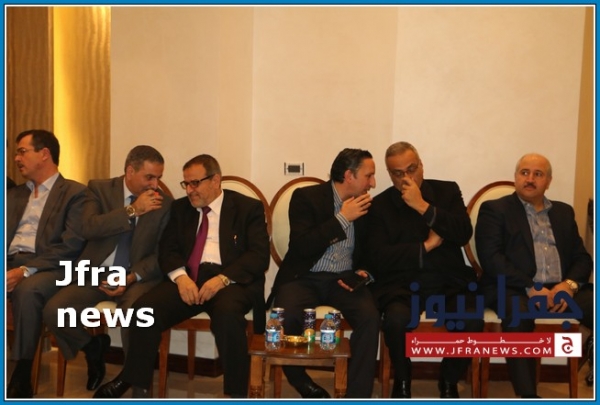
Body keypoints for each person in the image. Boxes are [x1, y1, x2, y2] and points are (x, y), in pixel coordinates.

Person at [94, 154, 270, 398]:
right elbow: (168, 250)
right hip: (189, 277)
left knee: (228, 317)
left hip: (229, 281)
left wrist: (222, 279)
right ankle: (137, 385)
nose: (189, 190)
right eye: (186, 184)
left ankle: (236, 394)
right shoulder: (180, 209)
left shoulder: (247, 208)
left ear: (215, 180)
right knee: (144, 310)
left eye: (195, 183)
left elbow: (258, 256)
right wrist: (180, 278)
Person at [43, 145, 173, 391]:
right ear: (130, 171)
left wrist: (131, 277)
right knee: (55, 310)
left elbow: (161, 255)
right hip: (96, 273)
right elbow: (88, 228)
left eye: (158, 177)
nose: (155, 185)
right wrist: (133, 210)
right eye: (149, 177)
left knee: (136, 314)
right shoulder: (99, 189)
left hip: (136, 277)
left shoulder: (165, 204)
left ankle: (138, 387)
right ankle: (92, 347)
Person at [367, 141, 484, 398]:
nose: (406, 178)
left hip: (448, 280)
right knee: (395, 321)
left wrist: (423, 206)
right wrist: (426, 246)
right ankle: (403, 378)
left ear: (421, 165)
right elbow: (379, 258)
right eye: (398, 173)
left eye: (411, 169)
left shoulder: (447, 191)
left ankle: (449, 379)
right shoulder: (380, 205)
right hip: (402, 284)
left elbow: (463, 233)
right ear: (390, 175)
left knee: (472, 320)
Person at [475, 153, 593, 398]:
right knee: (518, 317)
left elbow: (582, 258)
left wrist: (569, 285)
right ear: (516, 177)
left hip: (560, 288)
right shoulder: (495, 209)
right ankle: (528, 397)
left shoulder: (563, 212)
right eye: (524, 172)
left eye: (538, 174)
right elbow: (491, 258)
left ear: (548, 181)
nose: (530, 179)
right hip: (513, 288)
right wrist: (531, 287)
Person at [269, 148, 380, 398]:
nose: (373, 183)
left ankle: (357, 396)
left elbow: (374, 250)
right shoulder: (306, 197)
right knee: (287, 315)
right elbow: (302, 246)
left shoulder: (367, 205)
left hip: (343, 279)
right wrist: (342, 219)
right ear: (349, 176)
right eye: (368, 176)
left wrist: (365, 271)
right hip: (304, 277)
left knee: (370, 318)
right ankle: (302, 383)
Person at [6, 129, 87, 398]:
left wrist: (25, 270)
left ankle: (22, 374)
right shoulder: (14, 195)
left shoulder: (75, 193)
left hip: (51, 267)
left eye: (22, 151)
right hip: (11, 260)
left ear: (44, 154)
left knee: (27, 290)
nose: (16, 158)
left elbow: (71, 245)